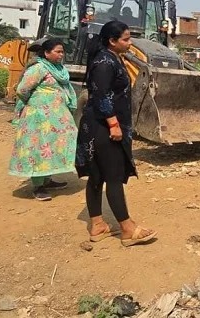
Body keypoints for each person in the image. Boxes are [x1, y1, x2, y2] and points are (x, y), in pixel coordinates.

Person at [75, 20, 156, 247]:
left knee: (97, 176)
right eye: (126, 39)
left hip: (98, 125)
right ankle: (127, 229)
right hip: (104, 127)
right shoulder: (104, 63)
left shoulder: (112, 58)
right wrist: (113, 124)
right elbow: (101, 96)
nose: (130, 43)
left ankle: (97, 225)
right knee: (113, 176)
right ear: (112, 41)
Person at [8, 39, 78, 201]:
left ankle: (47, 179)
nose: (61, 55)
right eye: (58, 51)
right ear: (46, 53)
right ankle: (38, 186)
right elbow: (22, 89)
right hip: (38, 117)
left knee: (52, 145)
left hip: (55, 118)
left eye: (62, 52)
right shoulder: (38, 68)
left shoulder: (59, 69)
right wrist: (37, 102)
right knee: (39, 147)